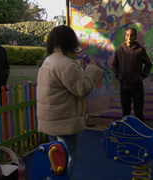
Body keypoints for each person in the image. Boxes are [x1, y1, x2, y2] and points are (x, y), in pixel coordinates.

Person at [36, 25, 102, 180]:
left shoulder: (49, 60)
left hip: (50, 118)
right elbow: (83, 89)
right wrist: (92, 70)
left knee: (54, 156)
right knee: (69, 156)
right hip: (64, 119)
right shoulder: (66, 64)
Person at [112, 27, 153, 121]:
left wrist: (142, 76)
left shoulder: (140, 50)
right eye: (127, 35)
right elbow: (114, 65)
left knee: (138, 113)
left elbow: (148, 64)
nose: (129, 37)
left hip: (137, 87)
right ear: (124, 36)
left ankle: (139, 134)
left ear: (135, 36)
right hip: (124, 86)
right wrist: (119, 77)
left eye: (132, 35)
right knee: (125, 113)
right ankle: (126, 133)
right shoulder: (119, 50)